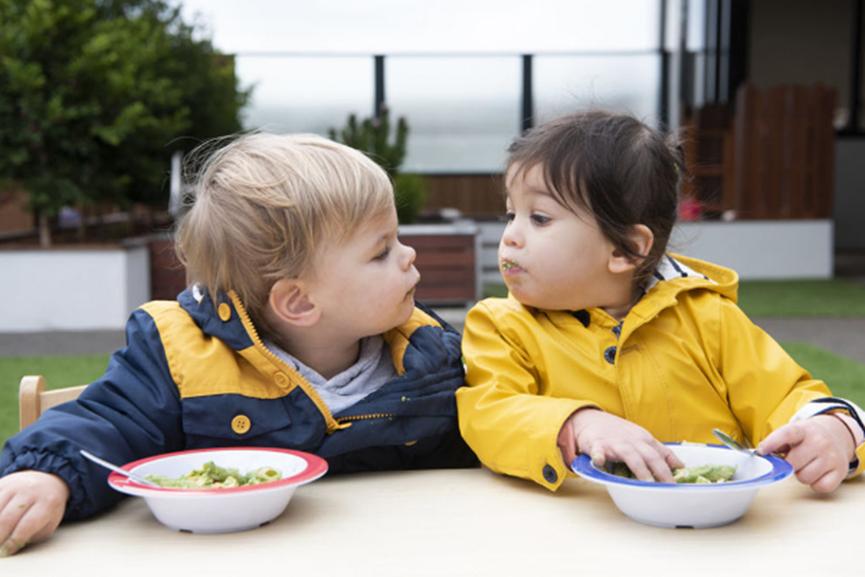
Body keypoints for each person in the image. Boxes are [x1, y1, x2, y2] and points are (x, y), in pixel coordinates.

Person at [0, 134, 477, 557]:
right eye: (382, 250)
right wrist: (47, 473)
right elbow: (106, 421)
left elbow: (496, 435)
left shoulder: (430, 355)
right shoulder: (180, 356)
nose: (408, 253)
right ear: (299, 301)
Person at [457, 110, 865, 494]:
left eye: (539, 218)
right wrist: (575, 424)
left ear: (626, 250)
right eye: (510, 214)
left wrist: (836, 429)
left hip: (711, 536)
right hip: (574, 540)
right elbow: (488, 414)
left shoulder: (708, 317)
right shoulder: (500, 325)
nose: (510, 235)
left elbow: (785, 395)